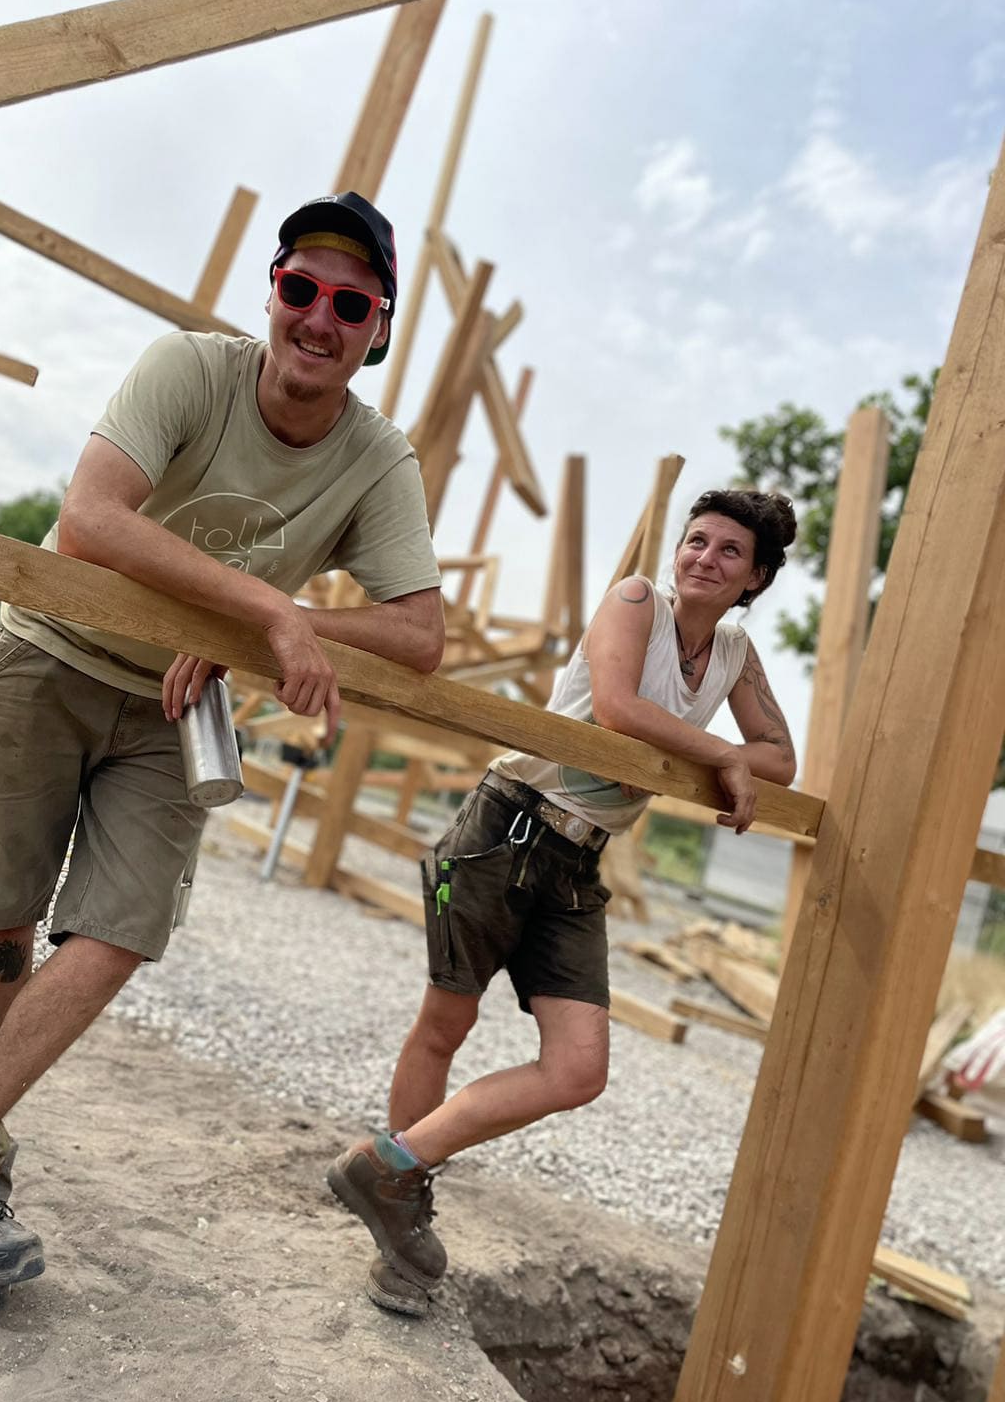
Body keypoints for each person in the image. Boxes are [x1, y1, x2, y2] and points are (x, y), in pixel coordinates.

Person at [0, 191, 446, 1303]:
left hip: (180, 700)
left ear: (379, 330)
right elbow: (91, 516)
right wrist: (264, 613)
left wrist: (272, 625)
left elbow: (419, 634)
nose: (317, 319)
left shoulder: (378, 457)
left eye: (349, 302)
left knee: (120, 927)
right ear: (271, 295)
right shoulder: (190, 367)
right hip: (55, 646)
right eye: (300, 290)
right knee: (5, 911)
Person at [327, 488, 798, 1316]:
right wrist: (722, 754)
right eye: (697, 540)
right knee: (447, 1022)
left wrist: (722, 756)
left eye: (730, 553)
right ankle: (399, 1226)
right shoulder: (635, 602)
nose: (705, 559)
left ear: (755, 578)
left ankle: (386, 1166)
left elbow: (782, 760)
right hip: (510, 822)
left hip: (579, 863)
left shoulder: (733, 655)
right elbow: (618, 709)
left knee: (578, 1069)